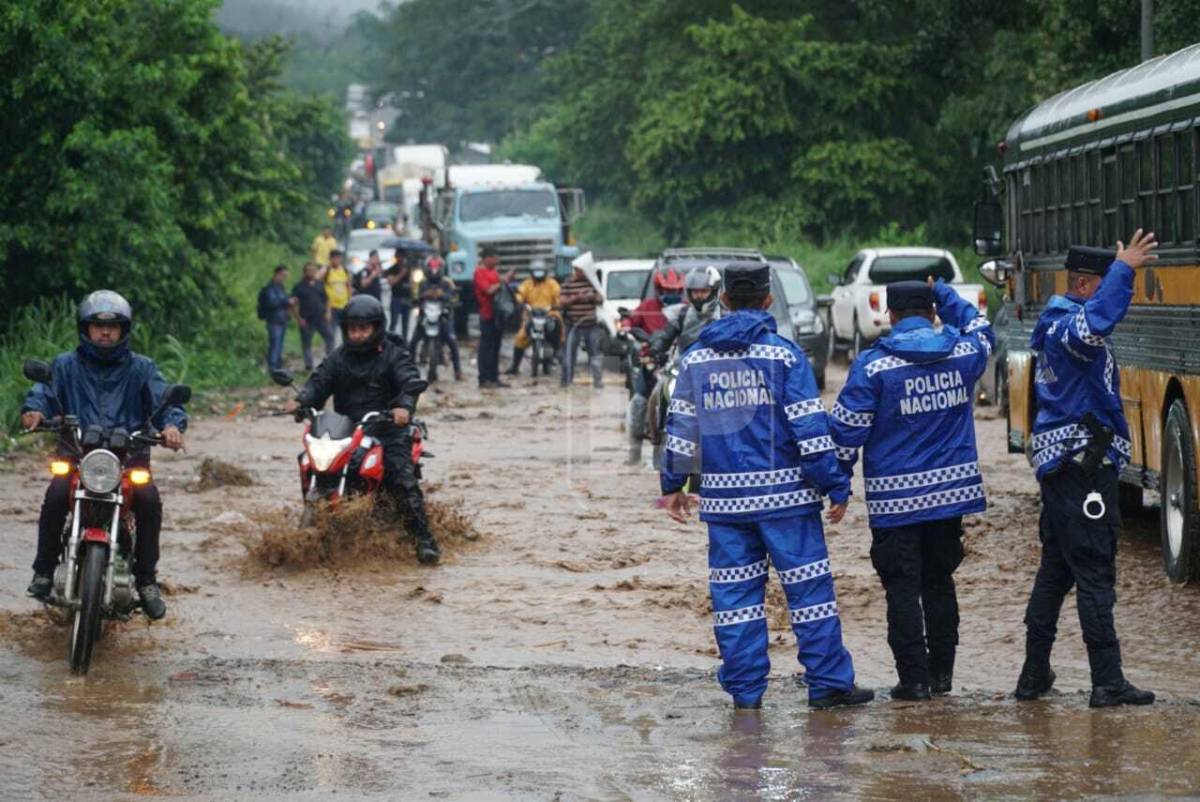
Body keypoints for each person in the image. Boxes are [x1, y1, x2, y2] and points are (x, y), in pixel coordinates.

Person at [659, 262, 873, 711]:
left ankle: (746, 694)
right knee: (810, 597)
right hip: (789, 503)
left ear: (721, 299)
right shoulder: (784, 356)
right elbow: (811, 432)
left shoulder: (695, 360)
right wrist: (835, 484)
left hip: (725, 506)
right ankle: (829, 685)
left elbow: (679, 431)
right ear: (768, 300)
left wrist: (673, 484)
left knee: (735, 602)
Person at [828, 280, 994, 700]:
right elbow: (983, 327)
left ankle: (914, 682)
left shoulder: (873, 366)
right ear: (932, 312)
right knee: (940, 582)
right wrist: (949, 299)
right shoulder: (963, 353)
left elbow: (847, 433)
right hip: (951, 498)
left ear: (890, 315)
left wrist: (838, 485)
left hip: (895, 502)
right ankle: (942, 678)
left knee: (902, 588)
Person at [1015, 232, 1159, 708]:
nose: (1119, 296)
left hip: (1064, 470)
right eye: (1104, 284)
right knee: (1096, 572)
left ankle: (1034, 675)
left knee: (1056, 570)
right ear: (1083, 285)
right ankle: (1107, 681)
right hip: (1082, 470)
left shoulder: (1054, 325)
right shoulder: (1071, 329)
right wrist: (1125, 269)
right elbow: (1096, 323)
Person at [21, 291, 186, 620]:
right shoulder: (65, 366)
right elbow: (43, 393)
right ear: (86, 328)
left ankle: (146, 580)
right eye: (98, 326)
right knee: (55, 495)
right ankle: (43, 571)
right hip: (76, 455)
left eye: (113, 327)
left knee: (149, 499)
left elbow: (166, 402)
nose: (105, 333)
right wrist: (35, 412)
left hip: (130, 459)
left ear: (125, 330)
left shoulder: (142, 368)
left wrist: (171, 426)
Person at [291, 295, 440, 564]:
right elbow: (318, 382)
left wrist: (403, 407)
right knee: (308, 462)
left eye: (363, 329)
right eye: (352, 329)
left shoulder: (394, 355)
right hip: (346, 429)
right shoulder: (338, 358)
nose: (357, 335)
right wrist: (302, 401)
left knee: (402, 479)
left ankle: (424, 540)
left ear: (376, 328)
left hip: (387, 428)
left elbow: (409, 382)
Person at [624, 265, 684, 464]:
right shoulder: (647, 307)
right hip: (650, 361)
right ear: (659, 290)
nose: (671, 295)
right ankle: (634, 452)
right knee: (640, 401)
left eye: (675, 291)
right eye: (667, 291)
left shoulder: (686, 311)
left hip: (677, 364)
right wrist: (627, 328)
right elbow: (629, 322)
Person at [650, 265, 723, 361]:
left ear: (714, 291)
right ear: (689, 292)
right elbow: (666, 336)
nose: (699, 296)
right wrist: (656, 348)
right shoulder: (682, 313)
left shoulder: (723, 315)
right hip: (685, 367)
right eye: (695, 292)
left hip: (715, 367)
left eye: (704, 291)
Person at [507, 259, 562, 376]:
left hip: (549, 313)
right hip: (531, 314)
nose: (538, 274)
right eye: (536, 272)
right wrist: (518, 301)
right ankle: (515, 365)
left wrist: (557, 304)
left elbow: (558, 295)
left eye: (541, 272)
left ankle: (558, 352)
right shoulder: (527, 284)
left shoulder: (552, 283)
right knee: (520, 337)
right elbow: (520, 295)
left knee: (560, 326)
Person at [412, 257, 463, 382]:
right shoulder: (422, 283)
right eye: (432, 267)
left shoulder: (447, 282)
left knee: (452, 341)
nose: (434, 270)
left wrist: (444, 295)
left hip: (443, 315)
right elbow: (415, 296)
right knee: (412, 342)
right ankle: (409, 369)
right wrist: (424, 295)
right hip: (426, 314)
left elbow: (454, 297)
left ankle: (458, 371)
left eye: (437, 268)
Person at [473, 246, 515, 388]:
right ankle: (484, 379)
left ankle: (494, 377)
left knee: (496, 347)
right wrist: (502, 281)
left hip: (497, 315)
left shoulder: (493, 272)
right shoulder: (479, 272)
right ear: (487, 258)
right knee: (486, 347)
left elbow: (499, 286)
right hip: (486, 314)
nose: (497, 260)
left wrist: (506, 279)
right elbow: (489, 290)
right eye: (495, 257)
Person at [559, 262, 606, 388]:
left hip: (591, 324)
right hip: (573, 325)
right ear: (576, 270)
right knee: (569, 355)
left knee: (595, 354)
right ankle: (566, 382)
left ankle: (598, 382)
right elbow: (562, 302)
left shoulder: (593, 283)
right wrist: (576, 298)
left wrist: (593, 297)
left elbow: (601, 299)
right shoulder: (568, 283)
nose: (582, 273)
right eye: (580, 270)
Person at [291, 262, 335, 372]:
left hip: (321, 318)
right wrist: (298, 318)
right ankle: (308, 365)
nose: (311, 272)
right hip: (306, 320)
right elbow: (293, 304)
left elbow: (327, 299)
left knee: (330, 337)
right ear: (304, 272)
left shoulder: (320, 284)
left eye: (313, 270)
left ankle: (330, 360)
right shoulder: (298, 286)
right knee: (306, 343)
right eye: (309, 270)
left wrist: (328, 312)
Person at [257, 265, 291, 372]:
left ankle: (278, 365)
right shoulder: (269, 288)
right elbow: (272, 303)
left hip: (282, 320)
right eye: (283, 275)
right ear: (278, 274)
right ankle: (272, 367)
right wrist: (286, 301)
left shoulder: (281, 287)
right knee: (274, 344)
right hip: (273, 320)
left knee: (280, 344)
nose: (284, 278)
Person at [321, 250, 352, 342]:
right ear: (330, 259)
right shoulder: (327, 271)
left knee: (346, 333)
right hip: (331, 307)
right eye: (335, 258)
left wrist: (350, 302)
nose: (337, 260)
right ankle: (331, 353)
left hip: (343, 306)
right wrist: (325, 268)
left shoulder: (344, 270)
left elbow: (348, 286)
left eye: (339, 258)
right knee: (331, 333)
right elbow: (317, 279)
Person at [386, 252, 414, 338]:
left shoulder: (408, 269)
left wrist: (410, 276)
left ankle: (405, 343)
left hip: (406, 298)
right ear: (396, 257)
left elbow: (412, 285)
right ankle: (390, 340)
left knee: (405, 323)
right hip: (396, 298)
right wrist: (401, 274)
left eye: (403, 257)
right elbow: (391, 282)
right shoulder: (392, 269)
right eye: (400, 256)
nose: (402, 259)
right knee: (394, 322)